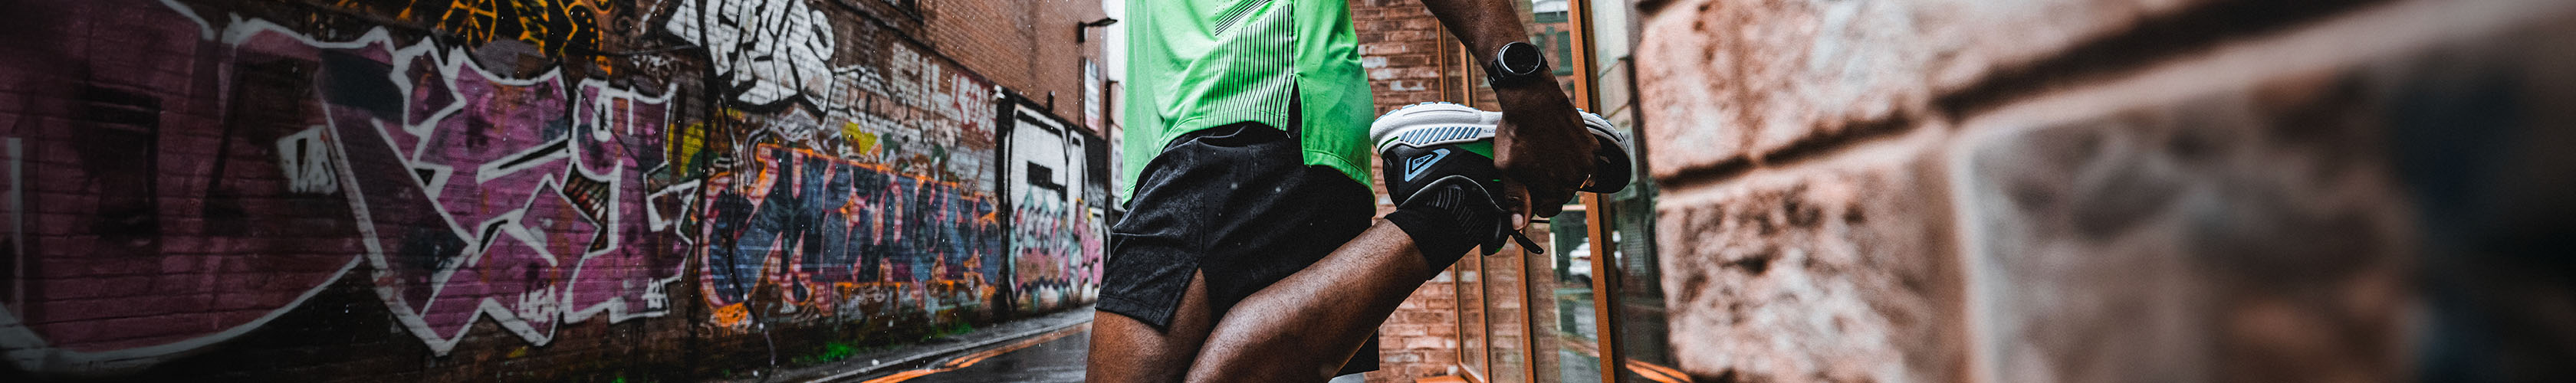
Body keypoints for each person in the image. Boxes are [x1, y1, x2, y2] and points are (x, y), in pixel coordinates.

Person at [1087, 0, 1631, 381]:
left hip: (1246, 99)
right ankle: (1459, 202)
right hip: (1209, 135)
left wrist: (1524, 80)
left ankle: (1458, 200)